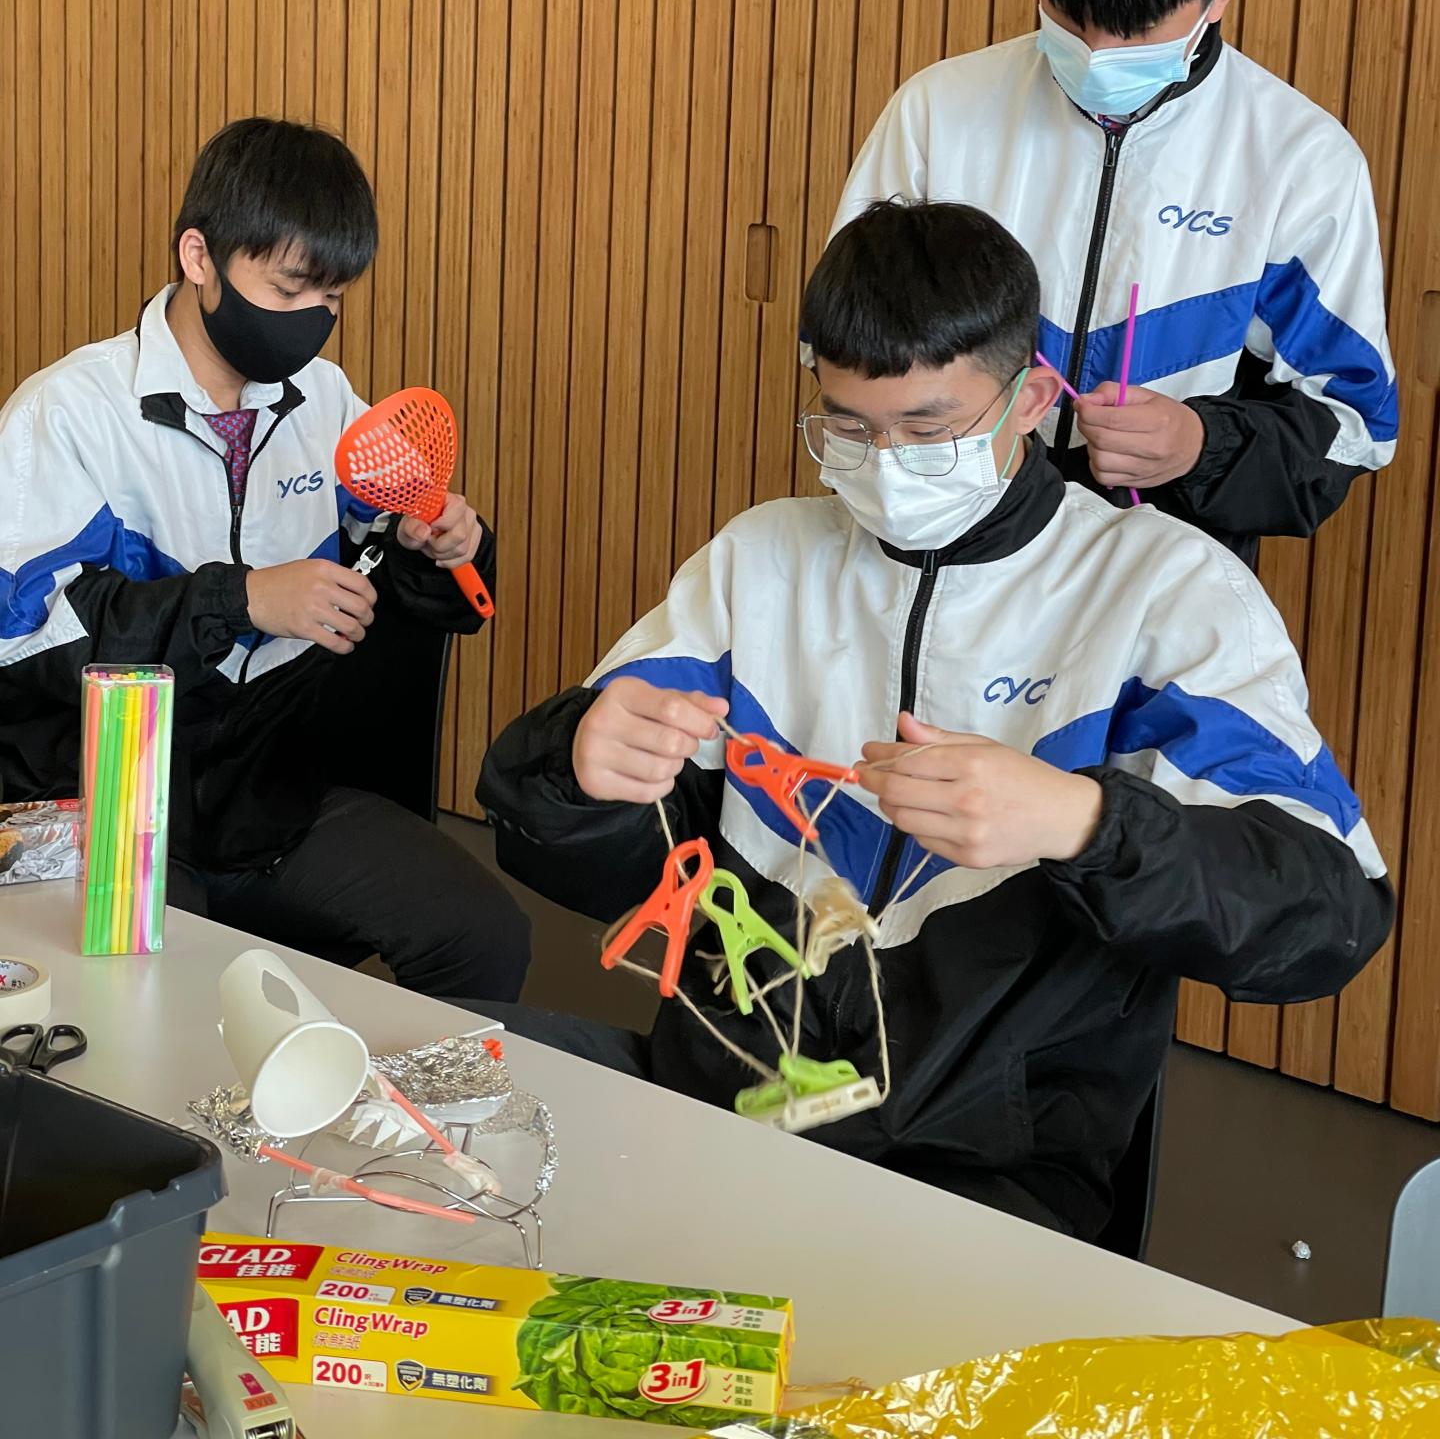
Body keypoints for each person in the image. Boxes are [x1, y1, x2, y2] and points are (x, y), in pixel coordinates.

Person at [476, 201, 1391, 1241]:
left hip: (981, 1174)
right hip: (722, 1105)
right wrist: (579, 770)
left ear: (1030, 398)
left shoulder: (1161, 591)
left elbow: (1328, 914)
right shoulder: (761, 562)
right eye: (850, 428)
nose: (885, 464)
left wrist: (1084, 823)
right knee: (413, 1103)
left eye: (927, 429)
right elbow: (606, 865)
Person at [0, 117, 529, 1001]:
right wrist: (240, 601)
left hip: (272, 794)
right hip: (114, 802)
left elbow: (395, 572)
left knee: (482, 937)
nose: (312, 320)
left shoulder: (325, 400)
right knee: (151, 1005)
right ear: (199, 258)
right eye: (288, 289)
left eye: (332, 297)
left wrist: (438, 547)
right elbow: (32, 646)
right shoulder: (68, 415)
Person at [831, 0, 1396, 568]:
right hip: (942, 551)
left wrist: (1199, 444)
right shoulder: (938, 112)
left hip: (1166, 571)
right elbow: (842, 340)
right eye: (1070, 14)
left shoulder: (1299, 161)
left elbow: (1355, 424)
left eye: (1134, 29)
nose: (1096, 51)